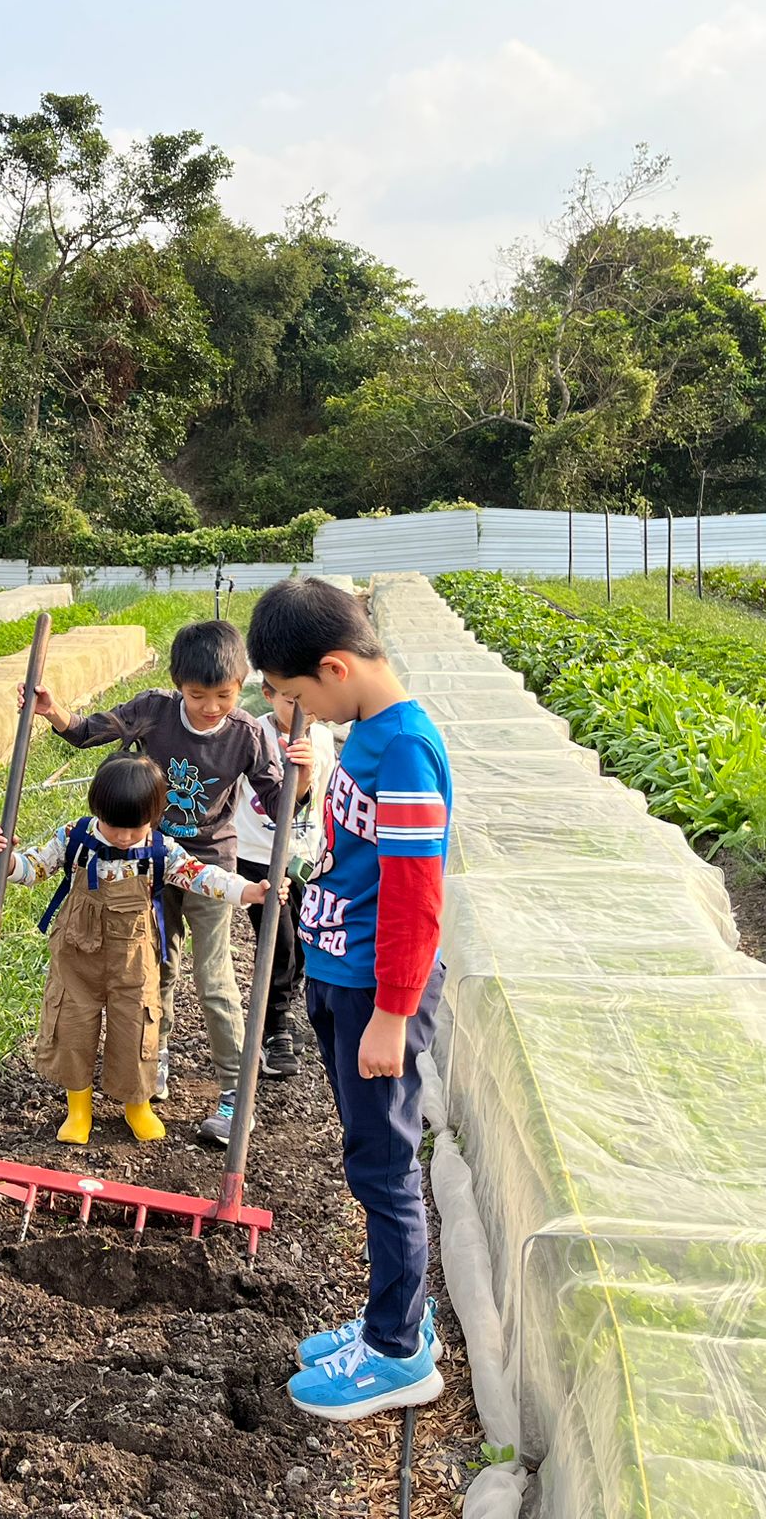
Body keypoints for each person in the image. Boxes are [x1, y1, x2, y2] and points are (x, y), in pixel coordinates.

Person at [245, 577, 451, 1421]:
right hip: (342, 976)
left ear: (335, 666)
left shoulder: (402, 750)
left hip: (376, 993)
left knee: (383, 1166)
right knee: (368, 1158)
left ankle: (399, 1354)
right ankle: (390, 1320)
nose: (300, 716)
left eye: (298, 698)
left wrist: (395, 1014)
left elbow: (415, 895)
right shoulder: (365, 732)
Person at [22, 620, 311, 1147]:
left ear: (241, 684)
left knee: (215, 979)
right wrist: (53, 710)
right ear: (178, 683)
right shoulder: (154, 710)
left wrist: (303, 776)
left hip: (207, 868)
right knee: (158, 971)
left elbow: (279, 804)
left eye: (223, 695)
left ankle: (233, 1094)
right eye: (198, 695)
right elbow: (90, 732)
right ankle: (155, 1062)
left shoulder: (246, 733)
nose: (209, 707)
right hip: (151, 866)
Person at [0, 754, 274, 1145]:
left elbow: (203, 877)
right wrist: (9, 863)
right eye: (114, 827)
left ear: (155, 816)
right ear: (97, 810)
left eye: (135, 828)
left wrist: (247, 891)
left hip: (134, 960)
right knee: (72, 1026)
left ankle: (137, 1105)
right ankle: (79, 1109)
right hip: (78, 957)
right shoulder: (76, 838)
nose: (124, 837)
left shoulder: (161, 851)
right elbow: (35, 868)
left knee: (137, 1029)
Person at [235, 675, 338, 1080]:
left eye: (307, 701)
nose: (301, 711)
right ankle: (273, 1027)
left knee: (300, 938)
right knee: (277, 940)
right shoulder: (252, 734)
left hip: (306, 854)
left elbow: (326, 795)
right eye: (290, 701)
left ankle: (284, 1004)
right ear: (268, 695)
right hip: (259, 855)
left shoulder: (325, 739)